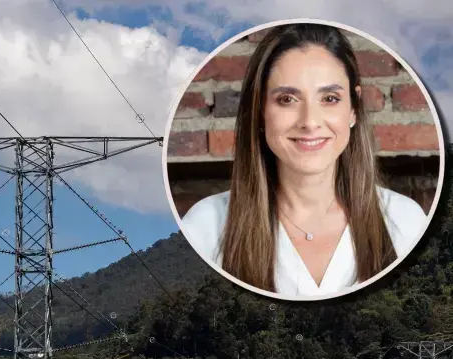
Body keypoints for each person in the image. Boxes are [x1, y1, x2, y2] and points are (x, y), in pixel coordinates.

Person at [179, 23, 428, 297]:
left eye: (330, 98)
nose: (309, 122)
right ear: (260, 110)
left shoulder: (405, 221)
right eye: (287, 99)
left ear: (354, 109)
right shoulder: (205, 227)